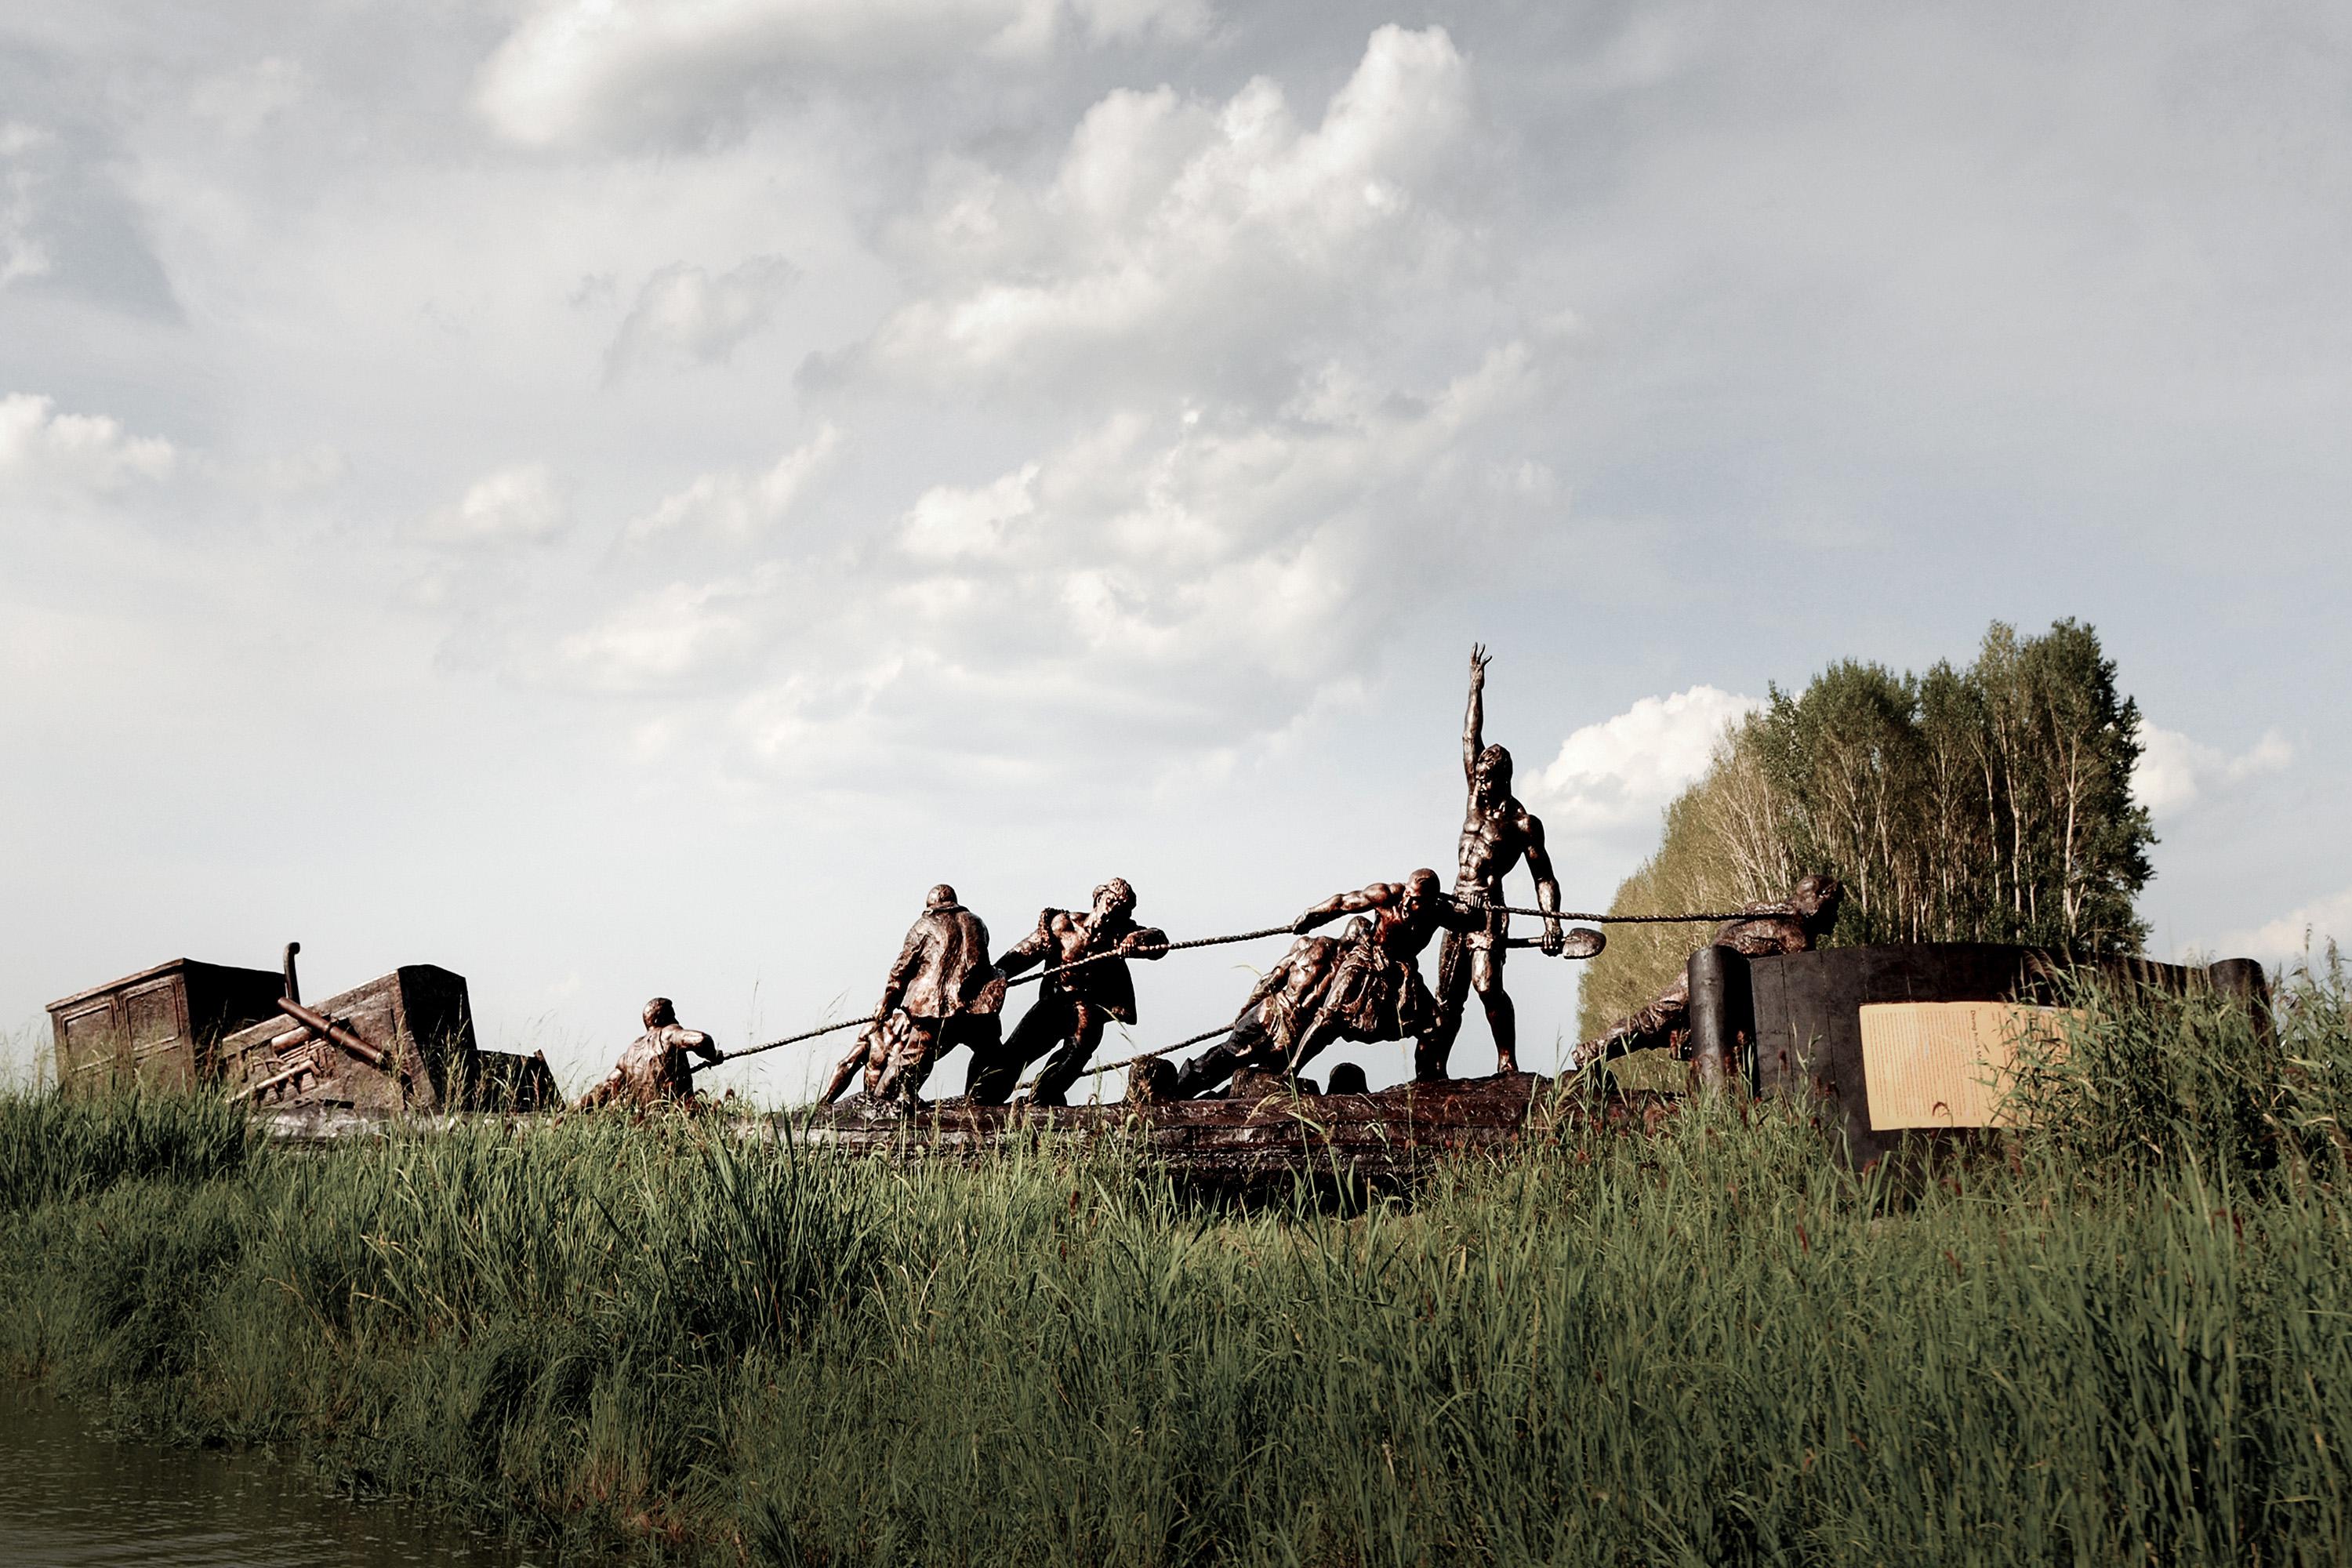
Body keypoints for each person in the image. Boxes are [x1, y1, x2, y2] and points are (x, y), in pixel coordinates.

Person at [1420, 645, 1566, 1080]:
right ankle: (1435, 1070)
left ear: (1504, 779)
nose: (1479, 784)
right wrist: (1475, 688)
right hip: (1455, 903)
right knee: (1448, 996)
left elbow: (1544, 877)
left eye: (1487, 779)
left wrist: (1552, 922)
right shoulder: (1473, 797)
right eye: (1478, 777)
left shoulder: (1523, 824)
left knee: (1486, 986)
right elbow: (1470, 737)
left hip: (1488, 908)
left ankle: (1507, 1061)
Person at [1577, 873, 1844, 1066]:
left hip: (1703, 971)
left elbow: (1724, 931)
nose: (1836, 916)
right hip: (1717, 983)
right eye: (1834, 906)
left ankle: (1592, 1052)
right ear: (1818, 900)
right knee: (1654, 1023)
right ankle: (1592, 1051)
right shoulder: (1797, 938)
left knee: (1652, 1022)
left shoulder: (1760, 909)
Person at [969, 878, 1167, 1105]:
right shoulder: (1064, 925)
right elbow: (1026, 952)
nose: (1110, 911)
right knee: (1019, 1049)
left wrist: (1135, 939)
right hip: (1055, 1000)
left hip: (1088, 1006)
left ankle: (1041, 1097)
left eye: (1119, 909)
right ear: (1099, 898)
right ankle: (985, 1096)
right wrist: (998, 975)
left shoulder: (1119, 934)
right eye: (1110, 901)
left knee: (1078, 1051)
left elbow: (1160, 940)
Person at [855, 884, 1004, 1104]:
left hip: (935, 1007)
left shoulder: (923, 926)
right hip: (975, 1006)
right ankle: (977, 1099)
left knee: (915, 1055)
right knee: (990, 1050)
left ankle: (882, 1101)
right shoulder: (976, 922)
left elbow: (902, 968)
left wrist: (888, 1001)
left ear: (931, 906)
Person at [579, 997, 724, 1109]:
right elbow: (701, 1040)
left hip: (648, 1128)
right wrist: (713, 1056)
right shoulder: (668, 1034)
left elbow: (604, 1091)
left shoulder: (629, 1056)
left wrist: (572, 1110)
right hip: (682, 1120)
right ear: (659, 1019)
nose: (676, 1021)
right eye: (672, 1016)